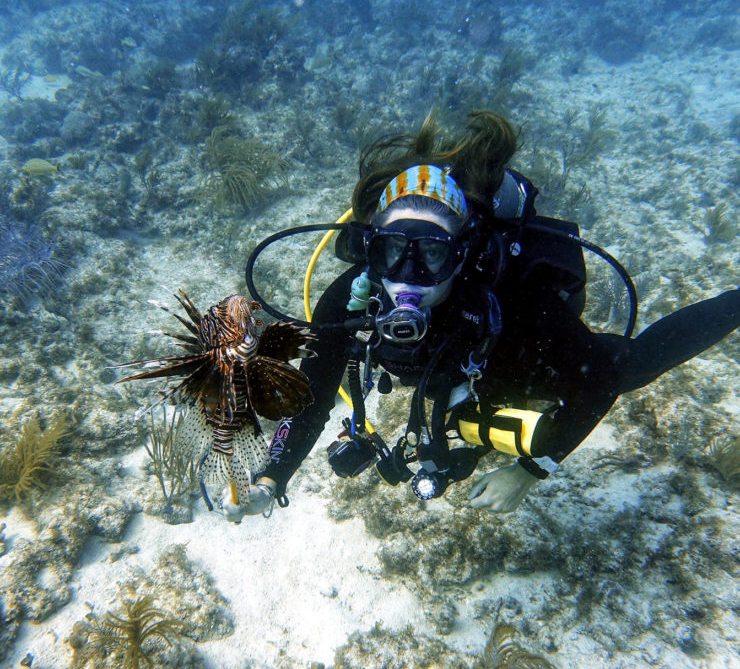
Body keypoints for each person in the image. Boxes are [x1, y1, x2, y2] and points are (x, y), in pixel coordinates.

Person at [240, 110, 739, 517]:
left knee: (625, 367)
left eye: (432, 253)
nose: (408, 275)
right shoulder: (353, 299)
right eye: (393, 251)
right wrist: (270, 478)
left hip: (505, 359)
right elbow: (310, 401)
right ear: (370, 250)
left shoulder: (513, 302)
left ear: (461, 252)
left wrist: (530, 470)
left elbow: (598, 382)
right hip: (446, 370)